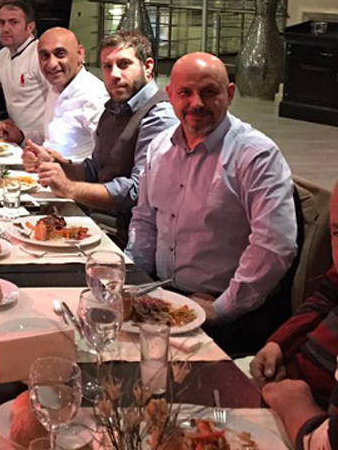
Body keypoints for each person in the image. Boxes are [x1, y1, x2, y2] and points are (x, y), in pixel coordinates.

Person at [127, 52, 298, 354]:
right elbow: (145, 220)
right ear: (170, 95)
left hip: (229, 314)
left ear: (229, 94)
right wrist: (132, 278)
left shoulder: (256, 156)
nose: (196, 103)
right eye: (185, 92)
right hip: (163, 296)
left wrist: (223, 308)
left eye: (209, 92)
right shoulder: (159, 147)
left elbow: (274, 245)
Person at [29, 31, 177, 244]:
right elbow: (95, 170)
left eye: (124, 64)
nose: (114, 74)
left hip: (125, 235)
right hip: (95, 220)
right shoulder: (114, 107)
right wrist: (58, 164)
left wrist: (70, 188)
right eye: (107, 66)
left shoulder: (159, 115)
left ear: (148, 66)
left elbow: (138, 192)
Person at [261, 182, 338, 449]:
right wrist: (278, 343)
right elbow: (325, 296)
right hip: (290, 381)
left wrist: (293, 400)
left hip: (306, 411)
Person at [0, 27, 107, 160]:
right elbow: (51, 139)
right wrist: (21, 137)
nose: (51, 64)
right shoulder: (55, 89)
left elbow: (107, 161)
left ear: (80, 53)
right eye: (45, 56)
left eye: (60, 54)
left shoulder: (94, 97)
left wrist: (59, 164)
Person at [0, 0, 48, 142]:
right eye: (1, 23)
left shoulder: (40, 55)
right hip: (14, 139)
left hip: (42, 143)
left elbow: (62, 103)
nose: (5, 29)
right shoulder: (3, 54)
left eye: (13, 22)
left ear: (30, 27)